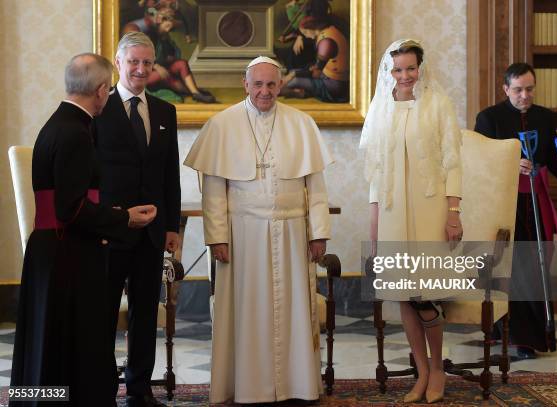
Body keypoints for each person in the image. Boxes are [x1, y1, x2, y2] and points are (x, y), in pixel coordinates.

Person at [10, 53, 157, 407]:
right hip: (69, 254)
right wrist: (125, 219)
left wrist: (115, 214)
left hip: (52, 250)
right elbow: (72, 208)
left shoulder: (57, 124)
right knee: (71, 343)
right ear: (102, 90)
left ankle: (40, 401)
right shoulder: (76, 132)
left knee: (46, 343)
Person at [184, 56, 333, 404]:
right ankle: (249, 386)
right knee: (246, 312)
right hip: (243, 235)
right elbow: (214, 189)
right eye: (258, 84)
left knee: (295, 311)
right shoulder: (222, 125)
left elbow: (317, 186)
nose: (265, 91)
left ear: (280, 85)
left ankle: (298, 384)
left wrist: (319, 232)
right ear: (245, 84)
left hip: (293, 232)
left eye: (271, 84)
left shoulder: (301, 123)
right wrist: (217, 237)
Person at [360, 39, 463, 404]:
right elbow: (375, 172)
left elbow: (453, 162)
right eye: (397, 69)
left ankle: (438, 370)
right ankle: (421, 373)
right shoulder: (380, 108)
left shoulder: (438, 104)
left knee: (427, 295)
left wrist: (453, 213)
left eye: (410, 68)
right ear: (389, 72)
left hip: (431, 209)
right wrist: (374, 228)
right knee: (404, 296)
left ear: (422, 68)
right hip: (391, 212)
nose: (404, 76)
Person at [93, 32, 181, 407]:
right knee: (104, 315)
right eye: (134, 62)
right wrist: (102, 221)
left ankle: (140, 388)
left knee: (145, 314)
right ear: (118, 64)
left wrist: (172, 226)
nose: (141, 69)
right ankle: (100, 388)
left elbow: (169, 174)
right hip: (110, 231)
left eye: (147, 62)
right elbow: (91, 175)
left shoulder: (164, 111)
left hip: (151, 233)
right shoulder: (98, 109)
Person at [474, 62, 557, 359]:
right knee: (513, 266)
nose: (524, 95)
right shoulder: (489, 118)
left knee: (538, 264)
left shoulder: (544, 117)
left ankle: (540, 333)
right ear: (506, 89)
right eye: (518, 89)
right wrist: (509, 163)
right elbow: (478, 162)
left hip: (536, 202)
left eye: (529, 89)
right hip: (504, 204)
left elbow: (553, 157)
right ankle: (518, 337)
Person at [123, 7, 216, 103]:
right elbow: (140, 57)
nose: (168, 30)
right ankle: (192, 92)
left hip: (159, 69)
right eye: (167, 26)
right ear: (160, 22)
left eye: (170, 28)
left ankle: (195, 92)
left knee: (181, 63)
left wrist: (169, 57)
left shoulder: (165, 39)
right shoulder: (148, 37)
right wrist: (157, 66)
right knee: (163, 74)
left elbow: (170, 56)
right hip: (143, 75)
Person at [281, 15, 349, 102]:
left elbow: (316, 73)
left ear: (312, 28)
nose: (306, 36)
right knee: (292, 75)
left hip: (333, 85)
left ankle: (301, 93)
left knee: (292, 82)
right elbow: (318, 66)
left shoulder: (326, 42)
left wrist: (294, 74)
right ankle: (303, 91)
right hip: (328, 77)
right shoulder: (330, 31)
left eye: (305, 32)